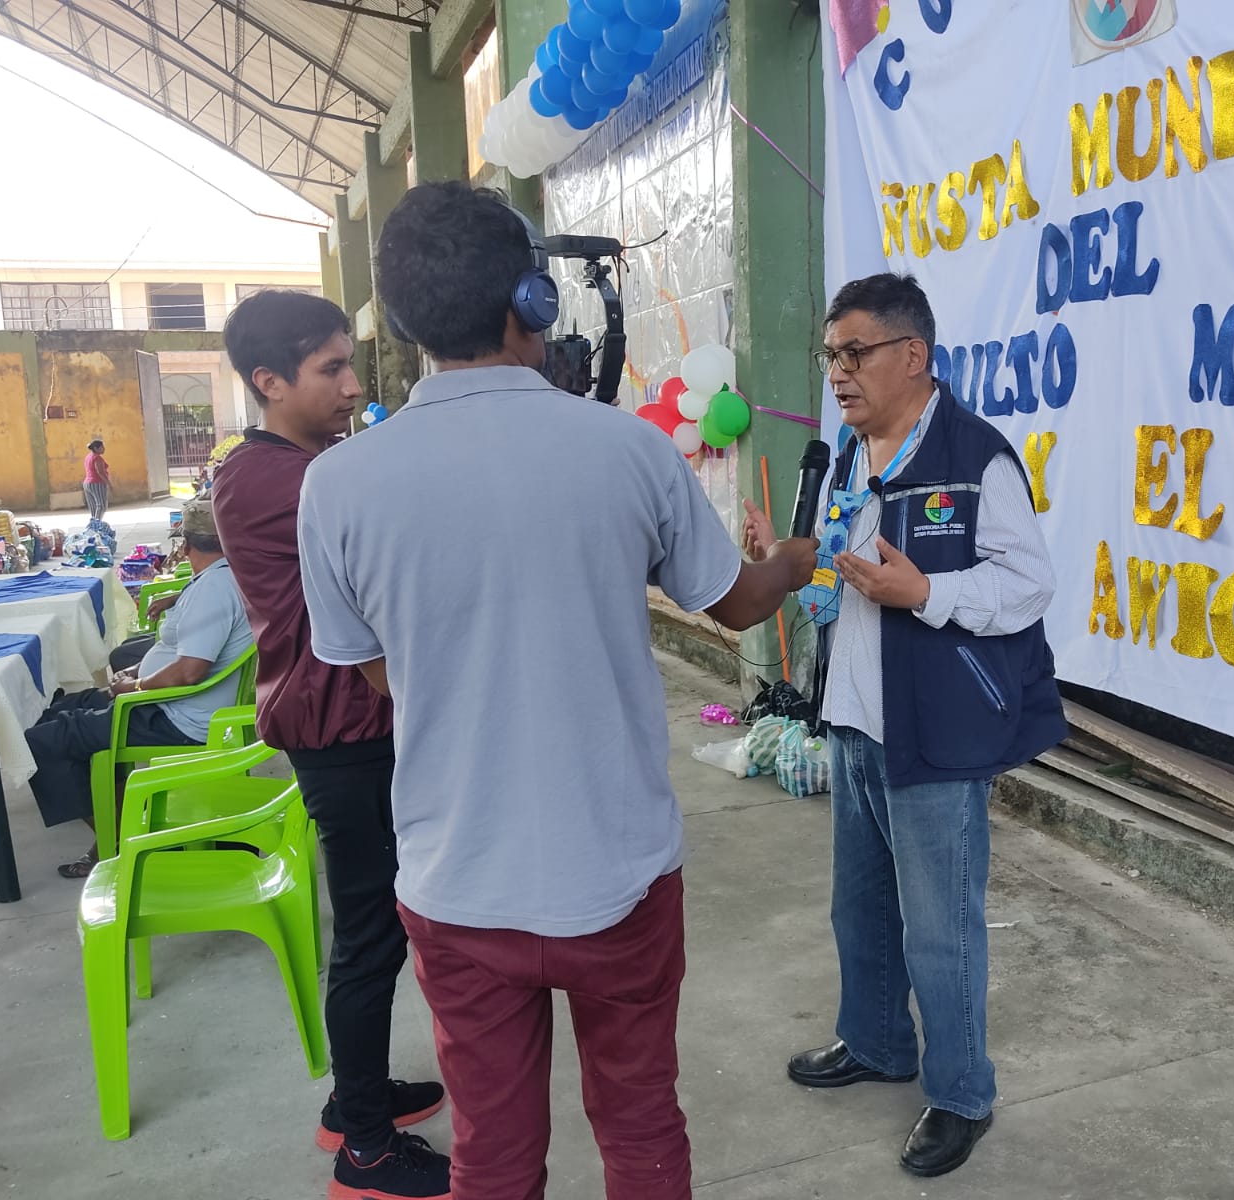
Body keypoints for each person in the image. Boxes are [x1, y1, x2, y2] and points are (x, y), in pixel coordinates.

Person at [296, 181, 817, 1200]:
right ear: (533, 302)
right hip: (617, 874)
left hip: (456, 885)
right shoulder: (625, 450)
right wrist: (793, 562)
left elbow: (372, 674)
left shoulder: (338, 486)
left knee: (492, 1154)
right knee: (640, 1126)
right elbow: (739, 605)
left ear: (400, 325)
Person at [743, 273, 1068, 1180]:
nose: (838, 374)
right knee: (862, 911)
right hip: (853, 723)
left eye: (855, 353)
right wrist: (787, 567)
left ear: (912, 356)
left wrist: (927, 592)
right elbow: (839, 575)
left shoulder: (976, 457)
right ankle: (878, 1041)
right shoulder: (851, 454)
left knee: (941, 928)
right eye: (830, 357)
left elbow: (1028, 584)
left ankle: (962, 1092)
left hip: (937, 733)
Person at [215, 289, 448, 1200]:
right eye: (332, 370)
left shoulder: (312, 460)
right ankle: (363, 1148)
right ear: (269, 383)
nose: (353, 386)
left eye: (352, 363)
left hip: (358, 720)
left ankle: (360, 1095)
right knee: (369, 933)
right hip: (342, 729)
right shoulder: (275, 477)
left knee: (378, 927)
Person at [27, 499, 252, 878]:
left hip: (174, 714)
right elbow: (179, 651)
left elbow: (189, 671)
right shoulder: (225, 575)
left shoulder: (216, 587)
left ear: (186, 545)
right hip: (165, 703)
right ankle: (125, 826)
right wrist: (135, 671)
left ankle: (122, 843)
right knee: (56, 712)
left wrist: (137, 685)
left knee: (41, 742)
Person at [83, 439, 111, 521]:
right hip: (97, 483)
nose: (104, 449)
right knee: (101, 505)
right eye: (102, 447)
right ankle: (96, 524)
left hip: (87, 484)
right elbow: (100, 472)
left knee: (93, 507)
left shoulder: (88, 456)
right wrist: (109, 483)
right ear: (96, 448)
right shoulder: (97, 458)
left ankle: (94, 524)